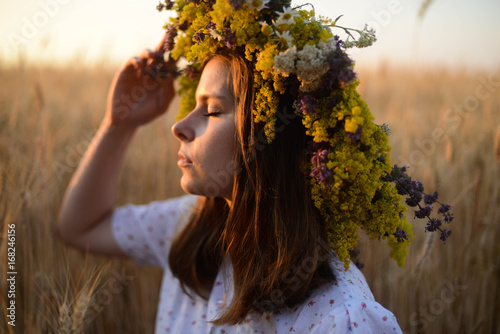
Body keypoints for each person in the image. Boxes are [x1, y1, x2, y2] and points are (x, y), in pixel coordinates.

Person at [56, 1, 441, 332]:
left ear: (272, 138)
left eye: (211, 110)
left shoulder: (340, 319)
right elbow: (79, 227)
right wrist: (119, 124)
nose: (179, 127)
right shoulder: (188, 228)